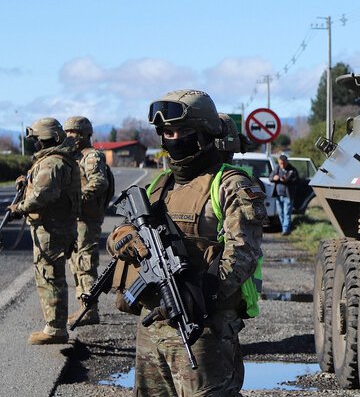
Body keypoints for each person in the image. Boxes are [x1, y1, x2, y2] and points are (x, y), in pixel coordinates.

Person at [109, 89, 266, 395]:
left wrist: (201, 295)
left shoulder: (230, 185)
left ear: (206, 134)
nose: (175, 138)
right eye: (168, 132)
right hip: (151, 330)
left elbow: (243, 255)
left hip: (202, 330)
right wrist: (123, 239)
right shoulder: (159, 185)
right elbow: (121, 233)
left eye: (185, 131)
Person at [7, 118, 81, 344]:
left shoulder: (52, 163)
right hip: (57, 226)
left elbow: (43, 195)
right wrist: (26, 181)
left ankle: (55, 328)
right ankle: (55, 325)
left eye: (37, 140)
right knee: (52, 275)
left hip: (51, 229)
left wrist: (19, 207)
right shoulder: (56, 160)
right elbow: (42, 186)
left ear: (45, 140)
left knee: (49, 276)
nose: (35, 144)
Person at [63, 116, 110, 327]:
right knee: (76, 263)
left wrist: (76, 200)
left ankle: (90, 309)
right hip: (76, 219)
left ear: (82, 134)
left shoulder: (91, 156)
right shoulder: (73, 156)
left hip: (87, 219)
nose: (67, 136)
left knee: (85, 262)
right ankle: (84, 306)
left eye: (71, 132)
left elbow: (99, 182)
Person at [270, 154, 298, 235]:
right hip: (278, 195)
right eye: (280, 163)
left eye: (283, 163)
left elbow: (296, 181)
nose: (282, 165)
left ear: (286, 162)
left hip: (288, 196)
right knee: (281, 213)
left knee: (286, 213)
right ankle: (284, 228)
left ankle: (285, 230)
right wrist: (274, 178)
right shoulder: (277, 169)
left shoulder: (292, 170)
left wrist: (287, 180)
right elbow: (270, 177)